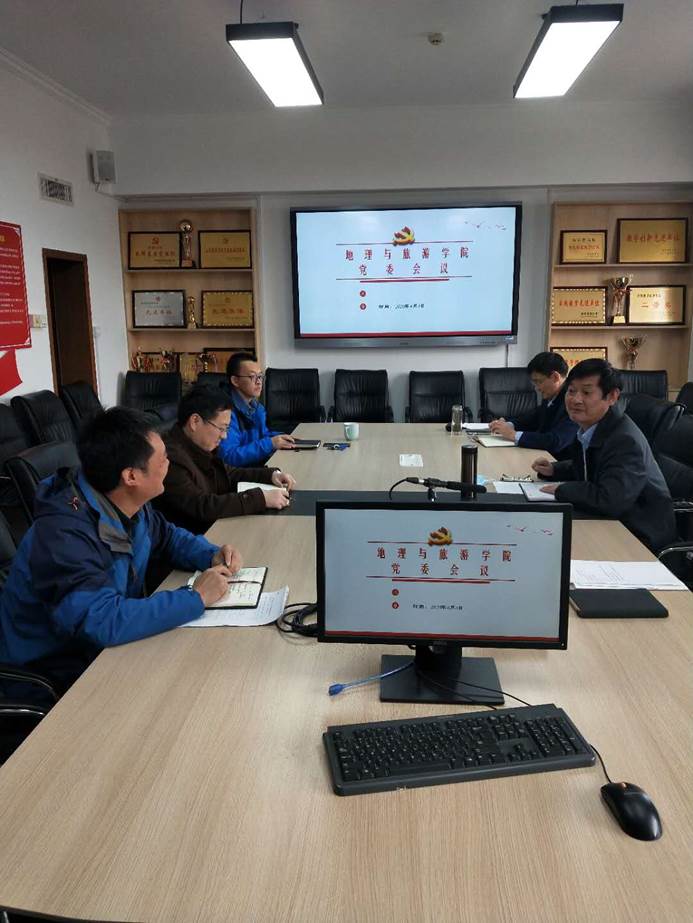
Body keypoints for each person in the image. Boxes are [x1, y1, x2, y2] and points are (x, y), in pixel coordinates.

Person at [0, 407, 243, 689]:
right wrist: (195, 597)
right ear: (131, 476)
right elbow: (102, 620)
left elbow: (167, 536)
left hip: (102, 650)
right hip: (55, 670)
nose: (169, 463)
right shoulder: (62, 536)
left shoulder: (124, 501)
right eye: (162, 459)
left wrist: (210, 554)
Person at [531, 359, 677, 552]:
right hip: (610, 521)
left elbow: (610, 500)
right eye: (571, 391)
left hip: (638, 535)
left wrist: (562, 489)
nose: (575, 399)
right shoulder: (590, 426)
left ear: (612, 396)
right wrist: (554, 470)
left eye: (587, 392)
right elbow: (591, 466)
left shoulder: (625, 440)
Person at [156, 384, 297, 533]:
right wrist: (260, 499)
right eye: (221, 428)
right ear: (195, 421)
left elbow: (228, 473)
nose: (224, 436)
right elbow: (202, 506)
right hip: (200, 536)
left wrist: (270, 475)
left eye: (227, 429)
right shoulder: (169, 458)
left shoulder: (197, 445)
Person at [489, 351, 577, 454]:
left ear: (555, 377)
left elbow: (555, 441)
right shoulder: (552, 394)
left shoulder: (572, 402)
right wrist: (509, 424)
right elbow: (534, 417)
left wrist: (513, 435)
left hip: (561, 460)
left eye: (539, 382)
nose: (537, 388)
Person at [217, 352, 295, 466]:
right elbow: (229, 456)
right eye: (252, 377)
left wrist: (285, 437)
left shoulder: (257, 407)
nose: (259, 382)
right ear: (235, 381)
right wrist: (270, 444)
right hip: (238, 473)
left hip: (255, 466)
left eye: (260, 376)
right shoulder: (225, 412)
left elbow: (263, 435)